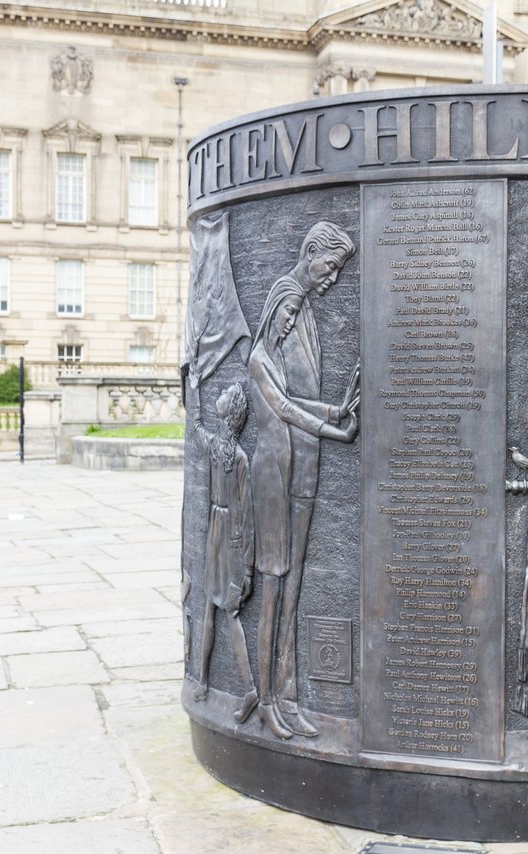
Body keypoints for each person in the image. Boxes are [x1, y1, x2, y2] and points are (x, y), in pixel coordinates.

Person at [247, 221, 358, 739]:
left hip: (302, 470)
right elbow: (285, 407)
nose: (332, 278)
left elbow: (302, 398)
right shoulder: (259, 356)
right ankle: (267, 698)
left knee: (292, 591)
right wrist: (334, 431)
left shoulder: (303, 311)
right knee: (273, 589)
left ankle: (288, 697)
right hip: (275, 477)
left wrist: (339, 408)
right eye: (329, 266)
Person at [190, 383, 259, 725]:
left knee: (230, 614)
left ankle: (249, 690)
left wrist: (247, 568)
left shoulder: (241, 459)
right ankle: (203, 679)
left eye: (226, 392)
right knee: (207, 608)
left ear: (230, 411)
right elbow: (196, 428)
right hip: (216, 534)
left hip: (230, 539)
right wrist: (193, 388)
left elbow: (247, 514)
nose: (222, 391)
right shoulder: (217, 447)